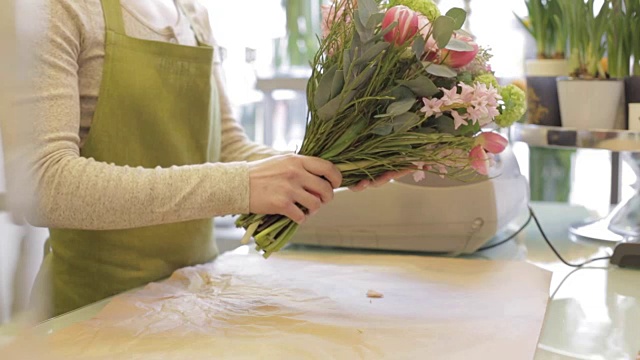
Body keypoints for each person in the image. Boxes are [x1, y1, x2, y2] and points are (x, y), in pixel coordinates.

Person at [17, 0, 402, 318]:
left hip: (192, 300)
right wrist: (242, 185)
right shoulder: (54, 10)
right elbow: (45, 185)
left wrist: (342, 165)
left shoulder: (190, 13)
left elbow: (228, 146)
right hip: (91, 313)